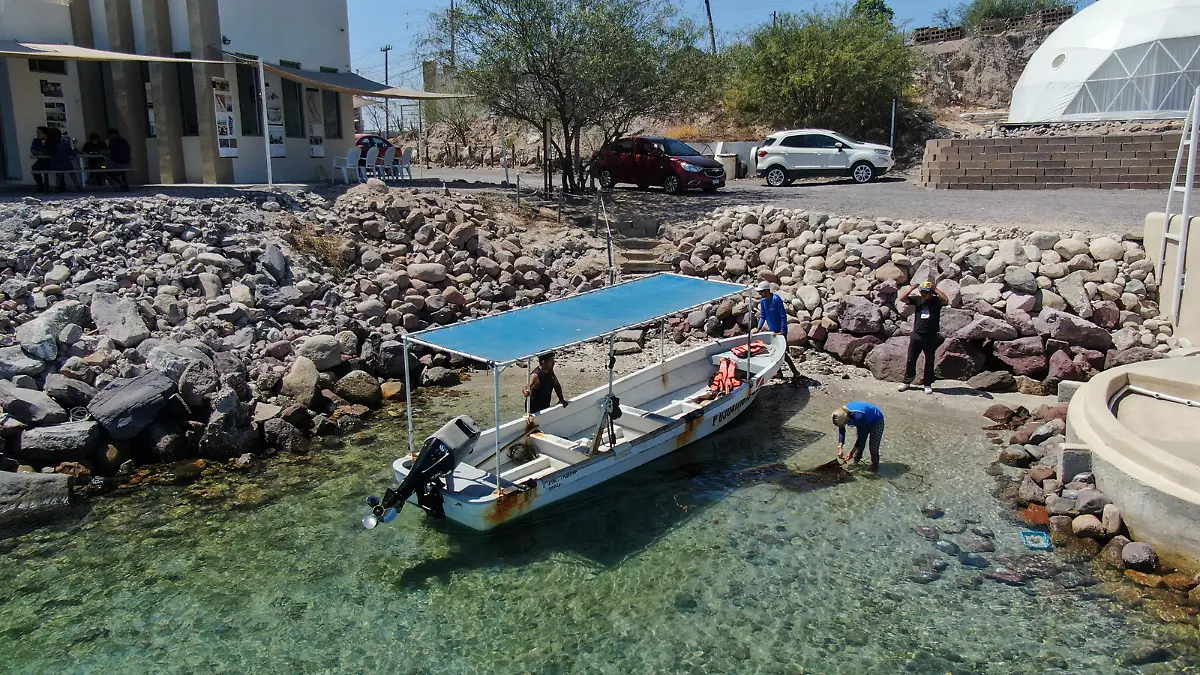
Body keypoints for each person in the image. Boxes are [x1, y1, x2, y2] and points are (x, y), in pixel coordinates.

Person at [898, 279, 950, 394]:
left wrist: (935, 288)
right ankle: (907, 381)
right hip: (917, 334)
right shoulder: (918, 300)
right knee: (911, 359)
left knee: (929, 360)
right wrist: (912, 288)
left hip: (931, 336)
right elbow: (902, 299)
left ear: (931, 293)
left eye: (926, 292)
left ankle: (927, 384)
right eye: (922, 292)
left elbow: (946, 300)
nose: (924, 294)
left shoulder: (936, 301)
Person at [752, 281, 802, 382]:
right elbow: (763, 316)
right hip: (772, 330)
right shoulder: (763, 301)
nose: (760, 294)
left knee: (782, 353)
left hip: (780, 330)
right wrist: (758, 328)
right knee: (774, 351)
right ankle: (779, 372)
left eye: (761, 292)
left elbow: (783, 316)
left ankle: (795, 372)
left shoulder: (776, 299)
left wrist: (782, 331)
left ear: (766, 291)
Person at [832, 402, 885, 471]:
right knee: (859, 449)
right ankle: (856, 462)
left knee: (873, 447)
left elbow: (861, 438)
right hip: (864, 419)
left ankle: (875, 467)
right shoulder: (841, 414)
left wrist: (851, 453)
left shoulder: (857, 417)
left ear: (846, 419)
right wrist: (840, 448)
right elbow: (841, 431)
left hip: (876, 419)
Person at [30, 127, 52, 192]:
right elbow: (33, 150)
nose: (38, 134)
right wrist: (39, 153)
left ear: (45, 134)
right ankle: (40, 186)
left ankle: (61, 186)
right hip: (41, 161)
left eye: (39, 133)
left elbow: (50, 151)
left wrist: (42, 152)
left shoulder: (50, 141)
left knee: (59, 167)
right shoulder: (36, 141)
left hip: (51, 161)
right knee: (34, 168)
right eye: (37, 133)